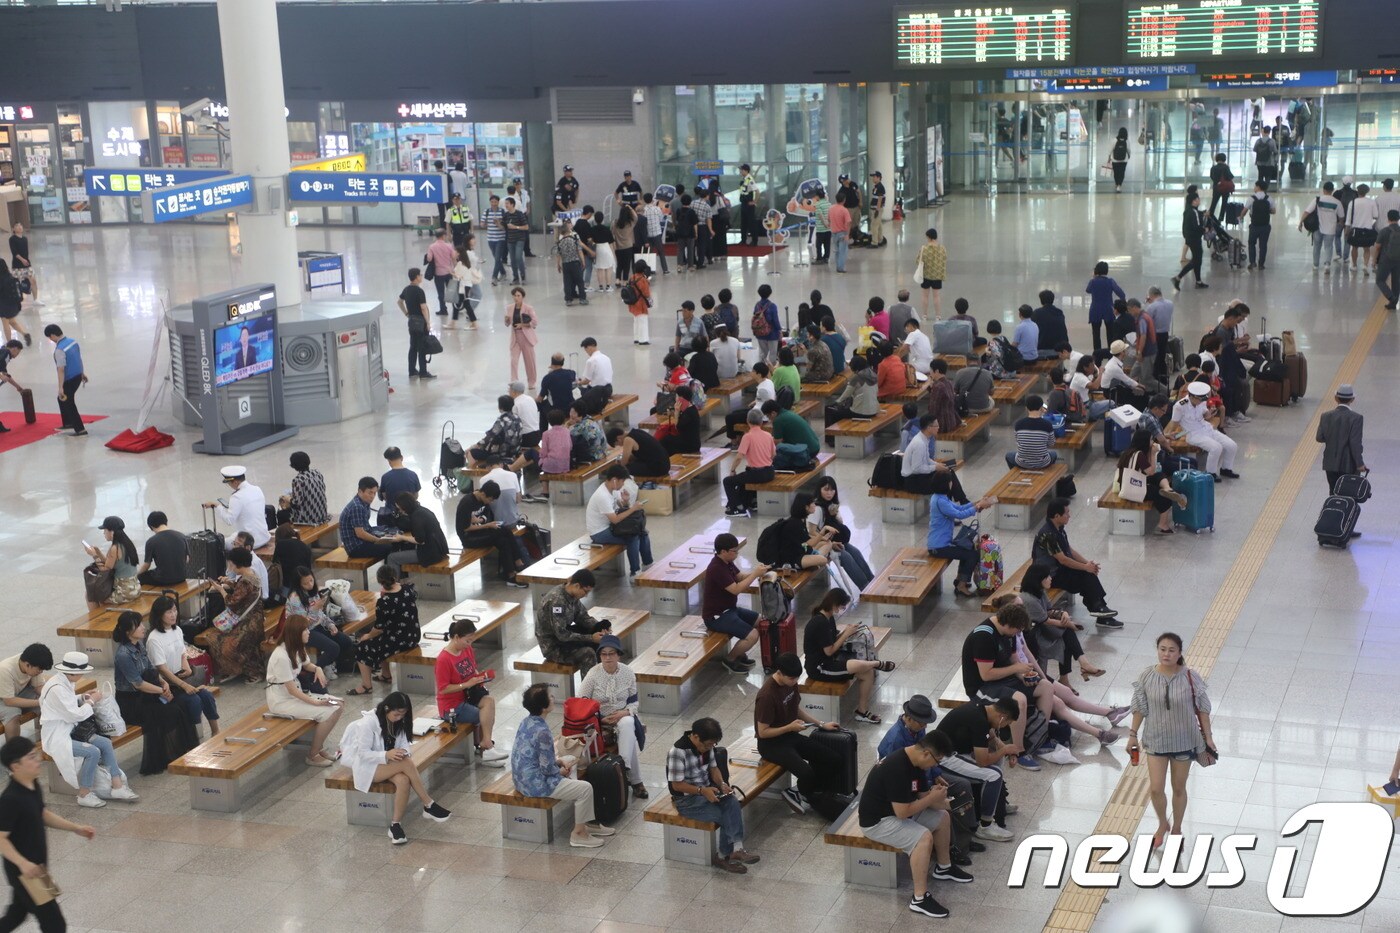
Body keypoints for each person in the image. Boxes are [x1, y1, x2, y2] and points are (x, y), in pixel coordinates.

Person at [860, 730, 973, 918]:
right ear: (926, 754)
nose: (935, 766)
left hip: (896, 813)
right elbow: (903, 812)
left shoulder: (917, 763)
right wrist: (931, 799)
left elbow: (922, 797)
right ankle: (919, 899)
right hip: (877, 823)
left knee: (942, 817)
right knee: (922, 838)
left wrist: (950, 803)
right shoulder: (896, 767)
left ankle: (943, 868)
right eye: (936, 761)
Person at [1127, 632, 1215, 850]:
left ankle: (1176, 828)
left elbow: (1203, 708)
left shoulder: (1190, 677)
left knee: (1178, 788)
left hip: (1183, 741)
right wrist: (1132, 735)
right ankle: (1162, 824)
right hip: (1155, 740)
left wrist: (1209, 739)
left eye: (1171, 650)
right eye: (1162, 649)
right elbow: (1139, 707)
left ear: (1179, 653)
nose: (1166, 654)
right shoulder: (1147, 675)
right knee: (1156, 789)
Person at [0, 737, 96, 931]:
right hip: (28, 873)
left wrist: (75, 828)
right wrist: (23, 864)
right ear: (15, 766)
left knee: (16, 915)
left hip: (36, 866)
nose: (38, 760)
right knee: (54, 923)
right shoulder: (10, 799)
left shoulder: (32, 785)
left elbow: (41, 813)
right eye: (31, 757)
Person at [339, 692, 452, 845]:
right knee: (406, 763)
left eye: (403, 714)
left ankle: (395, 825)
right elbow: (363, 754)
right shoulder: (367, 724)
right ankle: (428, 804)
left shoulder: (399, 722)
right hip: (369, 767)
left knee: (404, 780)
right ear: (386, 708)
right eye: (396, 714)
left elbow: (405, 745)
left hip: (389, 764)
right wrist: (387, 754)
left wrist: (402, 752)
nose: (399, 717)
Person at [513, 685, 617, 848]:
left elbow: (534, 756)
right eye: (550, 696)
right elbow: (547, 770)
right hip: (535, 785)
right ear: (544, 706)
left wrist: (558, 762)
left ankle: (584, 822)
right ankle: (578, 834)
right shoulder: (543, 731)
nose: (553, 697)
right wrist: (560, 770)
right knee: (585, 789)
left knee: (568, 758)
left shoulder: (526, 722)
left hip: (522, 778)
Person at [39, 652, 138, 808]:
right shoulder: (56, 687)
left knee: (105, 742)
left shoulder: (63, 681)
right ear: (75, 672)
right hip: (58, 736)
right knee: (93, 751)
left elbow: (68, 703)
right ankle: (84, 794)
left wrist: (81, 697)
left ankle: (117, 785)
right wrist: (91, 701)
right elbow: (74, 715)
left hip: (70, 731)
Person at [666, 717, 758, 872]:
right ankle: (722, 857)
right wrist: (702, 791)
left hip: (707, 791)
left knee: (733, 802)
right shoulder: (677, 752)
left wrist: (722, 784)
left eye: (712, 745)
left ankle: (736, 849)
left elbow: (714, 769)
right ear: (695, 737)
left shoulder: (708, 747)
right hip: (687, 801)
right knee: (723, 814)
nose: (709, 748)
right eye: (707, 744)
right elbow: (677, 784)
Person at [110, 611, 197, 775]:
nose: (144, 628)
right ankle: (163, 758)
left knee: (179, 707)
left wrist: (164, 683)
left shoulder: (139, 645)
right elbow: (138, 683)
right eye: (139, 625)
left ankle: (174, 753)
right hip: (131, 702)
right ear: (128, 631)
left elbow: (151, 668)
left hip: (148, 694)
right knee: (166, 711)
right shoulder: (123, 654)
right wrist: (162, 691)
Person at [754, 652, 841, 815]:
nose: (794, 682)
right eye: (791, 679)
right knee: (806, 772)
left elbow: (796, 709)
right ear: (779, 673)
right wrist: (789, 727)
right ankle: (800, 793)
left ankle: (803, 791)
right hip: (771, 744)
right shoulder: (766, 696)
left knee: (832, 758)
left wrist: (821, 724)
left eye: (796, 678)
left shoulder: (790, 683)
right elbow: (762, 732)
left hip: (789, 735)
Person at [803, 589, 894, 723]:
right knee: (859, 666)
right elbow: (829, 650)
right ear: (834, 604)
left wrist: (847, 632)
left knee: (867, 674)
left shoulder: (828, 618)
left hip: (829, 660)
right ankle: (876, 663)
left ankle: (861, 711)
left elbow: (832, 640)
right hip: (819, 668)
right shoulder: (820, 622)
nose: (842, 609)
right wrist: (845, 634)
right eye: (842, 606)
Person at [265, 615, 343, 768]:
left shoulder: (298, 648)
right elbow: (292, 690)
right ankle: (313, 754)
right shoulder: (281, 655)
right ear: (295, 633)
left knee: (339, 704)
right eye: (305, 630)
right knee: (329, 711)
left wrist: (318, 668)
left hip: (295, 695)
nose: (309, 632)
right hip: (282, 702)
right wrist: (316, 702)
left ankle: (318, 748)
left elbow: (307, 665)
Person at [1019, 566, 1115, 687]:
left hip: (1041, 629)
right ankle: (1079, 668)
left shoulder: (1039, 591)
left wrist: (1063, 613)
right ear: (1039, 579)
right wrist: (1068, 623)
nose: (1050, 579)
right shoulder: (1028, 599)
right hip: (1033, 636)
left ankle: (1076, 670)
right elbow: (1045, 620)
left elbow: (1049, 610)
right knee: (1066, 634)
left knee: (1066, 637)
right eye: (1047, 577)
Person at [579, 635, 648, 798]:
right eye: (604, 654)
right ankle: (635, 780)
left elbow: (634, 702)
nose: (608, 657)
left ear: (618, 655)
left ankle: (623, 764)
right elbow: (582, 702)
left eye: (611, 653)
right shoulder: (593, 674)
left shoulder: (628, 673)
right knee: (629, 732)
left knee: (627, 722)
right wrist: (598, 718)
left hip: (622, 715)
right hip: (598, 720)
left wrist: (624, 712)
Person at [1033, 498, 1121, 624]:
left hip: (1058, 570)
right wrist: (1085, 568)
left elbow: (1069, 550)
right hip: (1049, 576)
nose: (1069, 515)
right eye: (1067, 513)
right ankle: (1100, 610)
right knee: (1085, 576)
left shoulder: (1058, 528)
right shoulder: (1047, 535)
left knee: (1087, 573)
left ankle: (1100, 609)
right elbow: (1063, 560)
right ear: (1057, 516)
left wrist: (1087, 564)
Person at [433, 618, 507, 766]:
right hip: (452, 706)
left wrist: (481, 678)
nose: (469, 645)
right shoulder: (444, 660)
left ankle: (486, 746)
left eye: (472, 641)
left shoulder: (466, 649)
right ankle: (486, 748)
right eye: (467, 641)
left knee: (489, 701)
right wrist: (465, 684)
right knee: (482, 714)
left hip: (468, 695)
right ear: (455, 637)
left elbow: (473, 670)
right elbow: (443, 689)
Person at [144, 597, 219, 735]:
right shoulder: (154, 639)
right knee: (194, 701)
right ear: (159, 614)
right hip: (168, 684)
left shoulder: (177, 630)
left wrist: (187, 667)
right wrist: (184, 686)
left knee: (207, 696)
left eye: (175, 610)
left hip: (182, 677)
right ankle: (195, 738)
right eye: (169, 612)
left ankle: (216, 732)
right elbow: (162, 669)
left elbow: (182, 653)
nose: (174, 615)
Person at [701, 534, 765, 673]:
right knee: (752, 635)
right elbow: (735, 590)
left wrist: (759, 572)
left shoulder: (726, 562)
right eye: (734, 551)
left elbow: (739, 577)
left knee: (761, 621)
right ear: (723, 551)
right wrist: (755, 575)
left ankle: (740, 653)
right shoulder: (716, 568)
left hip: (730, 609)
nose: (737, 553)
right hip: (717, 616)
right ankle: (730, 659)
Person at [927, 472, 996, 598]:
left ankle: (960, 580)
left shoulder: (939, 497)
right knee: (972, 555)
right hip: (939, 547)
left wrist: (976, 503)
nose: (951, 483)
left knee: (967, 550)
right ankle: (961, 585)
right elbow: (959, 515)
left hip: (941, 543)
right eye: (950, 481)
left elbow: (958, 508)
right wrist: (978, 507)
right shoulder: (940, 501)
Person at [285, 568, 357, 678]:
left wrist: (330, 624)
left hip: (318, 626)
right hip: (303, 631)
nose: (310, 584)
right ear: (298, 584)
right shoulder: (295, 598)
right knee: (333, 647)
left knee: (346, 641)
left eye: (311, 580)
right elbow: (302, 623)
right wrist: (314, 609)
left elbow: (321, 615)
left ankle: (330, 662)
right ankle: (312, 673)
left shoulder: (313, 592)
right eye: (305, 583)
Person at [585, 465, 653, 578]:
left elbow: (619, 508)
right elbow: (615, 520)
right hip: (599, 532)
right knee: (633, 537)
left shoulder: (613, 490)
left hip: (610, 526)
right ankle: (634, 572)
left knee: (642, 531)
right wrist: (633, 508)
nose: (622, 485)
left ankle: (648, 563)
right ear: (614, 480)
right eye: (622, 482)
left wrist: (626, 502)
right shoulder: (602, 496)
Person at [1117, 430, 1189, 535]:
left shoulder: (1129, 452)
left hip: (1127, 483)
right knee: (1162, 496)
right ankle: (1163, 524)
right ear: (1144, 441)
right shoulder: (1139, 454)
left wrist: (1151, 452)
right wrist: (1154, 453)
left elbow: (1151, 472)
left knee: (1159, 476)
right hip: (1133, 489)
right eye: (1151, 439)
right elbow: (1151, 471)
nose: (1152, 441)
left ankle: (1168, 489)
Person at [1172, 382, 1239, 482]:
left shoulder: (1201, 401)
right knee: (1216, 448)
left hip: (1207, 428)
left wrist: (1210, 413)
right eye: (1200, 399)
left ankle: (1226, 469)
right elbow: (1174, 425)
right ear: (1192, 396)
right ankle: (1210, 473)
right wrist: (1178, 435)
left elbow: (1205, 415)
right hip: (1193, 434)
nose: (1202, 401)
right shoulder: (1180, 406)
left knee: (1232, 445)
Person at [1317, 384, 1366, 502]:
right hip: (1349, 464)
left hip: (1330, 463)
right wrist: (1360, 464)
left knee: (1333, 493)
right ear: (1352, 399)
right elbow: (1355, 443)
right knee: (1347, 496)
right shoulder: (1356, 418)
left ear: (1336, 398)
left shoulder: (1326, 416)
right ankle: (1344, 518)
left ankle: (1332, 514)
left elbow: (1319, 437)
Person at [81, 516, 140, 610]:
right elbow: (110, 563)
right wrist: (99, 553)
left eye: (105, 530)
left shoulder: (115, 548)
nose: (104, 533)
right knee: (97, 593)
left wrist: (94, 555)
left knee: (90, 594)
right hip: (134, 587)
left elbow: (105, 570)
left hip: (124, 592)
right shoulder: (128, 543)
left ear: (112, 532)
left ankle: (96, 620)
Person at [0, 645, 50, 744]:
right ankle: (14, 752)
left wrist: (49, 696)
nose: (40, 672)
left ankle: (45, 741)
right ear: (27, 665)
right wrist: (39, 702)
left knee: (47, 704)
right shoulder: (5, 669)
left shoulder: (33, 662)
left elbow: (38, 687)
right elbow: (9, 701)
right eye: (39, 670)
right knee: (13, 713)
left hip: (17, 693)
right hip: (3, 698)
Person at [43, 324, 87, 437]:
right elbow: (78, 358)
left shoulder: (59, 349)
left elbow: (61, 369)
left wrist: (60, 387)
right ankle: (68, 423)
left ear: (53, 335)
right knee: (61, 399)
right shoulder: (73, 342)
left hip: (70, 379)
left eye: (49, 337)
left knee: (68, 402)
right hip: (77, 376)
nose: (50, 339)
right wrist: (82, 373)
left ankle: (80, 429)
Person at [1299, 181, 1345, 273]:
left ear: (1323, 190)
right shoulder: (1337, 202)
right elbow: (1341, 216)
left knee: (1317, 246)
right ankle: (1327, 265)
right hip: (1330, 228)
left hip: (1317, 228)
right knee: (1328, 247)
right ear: (1332, 190)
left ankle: (1316, 265)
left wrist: (1300, 222)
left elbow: (1307, 212)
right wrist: (1340, 223)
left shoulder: (1317, 200)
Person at [396, 268, 434, 380]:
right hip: (421, 322)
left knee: (413, 346)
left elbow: (399, 301)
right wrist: (427, 322)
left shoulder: (406, 289)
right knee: (422, 347)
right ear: (417, 277)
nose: (421, 277)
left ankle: (412, 370)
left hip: (412, 322)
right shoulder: (419, 291)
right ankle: (423, 372)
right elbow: (423, 308)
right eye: (420, 275)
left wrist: (406, 313)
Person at [1083, 262, 1126, 353]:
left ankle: (1097, 354)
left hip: (1095, 310)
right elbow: (1121, 294)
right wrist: (1120, 305)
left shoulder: (1093, 282)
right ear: (1106, 271)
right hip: (1108, 309)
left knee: (1096, 334)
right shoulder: (1110, 281)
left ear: (1096, 271)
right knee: (1110, 334)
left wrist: (1094, 278)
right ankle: (1111, 352)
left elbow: (1088, 290)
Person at [1171, 192, 1209, 291]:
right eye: (1198, 199)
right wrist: (1205, 229)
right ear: (1193, 201)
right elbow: (1196, 226)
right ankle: (1178, 278)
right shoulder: (1194, 212)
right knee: (1196, 260)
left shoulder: (1188, 210)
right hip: (1195, 238)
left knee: (1197, 260)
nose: (1199, 201)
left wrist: (1202, 213)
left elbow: (1194, 218)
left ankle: (1198, 281)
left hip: (1189, 238)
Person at [1007, 396, 1058, 470]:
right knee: (1053, 454)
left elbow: (1018, 442)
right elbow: (1051, 444)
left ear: (1026, 408)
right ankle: (1046, 472)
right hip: (1042, 463)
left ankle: (1016, 472)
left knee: (1009, 455)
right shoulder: (1047, 424)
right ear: (1041, 408)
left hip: (1022, 462)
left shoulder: (1018, 424)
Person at [503, 286, 538, 389]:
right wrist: (506, 320)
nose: (516, 297)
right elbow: (507, 324)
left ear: (522, 297)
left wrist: (523, 325)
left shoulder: (528, 308)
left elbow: (535, 322)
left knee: (529, 361)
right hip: (515, 337)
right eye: (514, 295)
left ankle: (532, 382)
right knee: (514, 361)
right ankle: (514, 382)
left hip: (526, 337)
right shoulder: (509, 308)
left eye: (518, 295)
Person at [606, 426, 670, 481]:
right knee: (632, 464)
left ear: (618, 439)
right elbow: (641, 453)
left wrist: (619, 463)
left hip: (659, 468)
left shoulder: (628, 440)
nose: (620, 446)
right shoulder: (636, 432)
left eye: (617, 444)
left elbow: (623, 464)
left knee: (623, 470)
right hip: (664, 463)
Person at [917, 228, 948, 319]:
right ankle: (938, 315)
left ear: (929, 237)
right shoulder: (942, 248)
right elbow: (944, 259)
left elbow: (918, 261)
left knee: (925, 295)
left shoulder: (924, 248)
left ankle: (924, 315)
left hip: (926, 275)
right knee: (936, 296)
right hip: (937, 276)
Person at [577, 336, 614, 402]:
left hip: (597, 392)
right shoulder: (607, 358)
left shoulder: (591, 360)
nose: (587, 353)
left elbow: (586, 381)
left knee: (577, 392)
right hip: (609, 389)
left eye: (586, 350)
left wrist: (579, 382)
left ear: (589, 347)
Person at [502, 196, 530, 285]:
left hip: (520, 239)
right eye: (505, 203)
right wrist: (498, 223)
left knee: (518, 257)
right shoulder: (506, 215)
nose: (506, 205)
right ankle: (515, 278)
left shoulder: (519, 214)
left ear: (512, 204)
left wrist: (515, 227)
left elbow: (526, 227)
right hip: (510, 240)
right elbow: (503, 227)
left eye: (507, 203)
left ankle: (523, 276)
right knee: (513, 259)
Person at [1377, 209, 1400, 310]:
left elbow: (1377, 246)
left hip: (1386, 259)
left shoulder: (1384, 231)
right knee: (1396, 281)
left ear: (1388, 219)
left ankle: (1391, 297)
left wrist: (1373, 261)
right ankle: (1393, 304)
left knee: (1380, 280)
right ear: (1398, 219)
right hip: (1398, 260)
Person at [0, 269, 29, 350]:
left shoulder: (1, 279)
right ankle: (25, 334)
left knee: (5, 324)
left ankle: (9, 345)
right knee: (12, 322)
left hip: (4, 305)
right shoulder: (11, 277)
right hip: (14, 304)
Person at [828, 188, 851, 273]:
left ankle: (838, 266)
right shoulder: (844, 210)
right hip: (842, 233)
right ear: (844, 200)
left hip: (834, 233)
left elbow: (829, 219)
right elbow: (848, 222)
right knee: (843, 251)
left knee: (837, 251)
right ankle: (840, 268)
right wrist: (847, 234)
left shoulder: (831, 208)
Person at [1208, 152, 1235, 220]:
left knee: (1214, 202)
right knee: (1224, 203)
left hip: (1216, 187)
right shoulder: (1225, 167)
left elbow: (1211, 177)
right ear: (1224, 159)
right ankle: (1221, 218)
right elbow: (1230, 177)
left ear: (1217, 159)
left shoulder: (1213, 168)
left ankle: (1210, 216)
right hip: (1225, 188)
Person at [1106, 127, 1129, 191]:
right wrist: (1129, 155)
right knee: (1122, 172)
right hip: (1124, 160)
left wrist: (1109, 158)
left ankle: (1117, 184)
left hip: (1115, 160)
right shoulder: (1127, 141)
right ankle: (1119, 185)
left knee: (1116, 172)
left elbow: (1110, 149)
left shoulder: (1115, 140)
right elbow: (1129, 150)